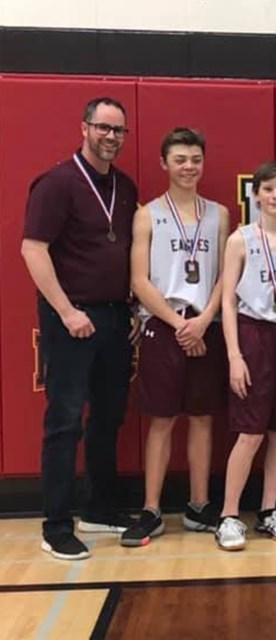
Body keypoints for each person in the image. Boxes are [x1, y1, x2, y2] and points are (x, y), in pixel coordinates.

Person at [23, 97, 139, 560]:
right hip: (69, 317)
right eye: (103, 128)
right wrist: (68, 311)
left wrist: (130, 310)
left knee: (108, 416)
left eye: (119, 131)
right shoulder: (56, 183)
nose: (111, 137)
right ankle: (56, 523)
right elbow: (33, 250)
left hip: (113, 316)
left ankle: (99, 506)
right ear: (84, 128)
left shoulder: (126, 187)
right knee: (65, 420)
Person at [121, 128, 230, 547]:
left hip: (206, 325)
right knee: (162, 420)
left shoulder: (219, 213)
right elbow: (139, 279)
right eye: (180, 159)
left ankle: (199, 505)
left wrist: (203, 321)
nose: (189, 167)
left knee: (202, 419)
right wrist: (179, 324)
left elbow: (225, 274)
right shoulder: (147, 214)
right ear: (164, 163)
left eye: (196, 159)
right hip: (164, 326)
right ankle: (151, 509)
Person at [216, 161, 276, 551]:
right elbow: (226, 301)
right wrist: (234, 355)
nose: (275, 196)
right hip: (253, 334)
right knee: (250, 432)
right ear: (255, 194)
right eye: (268, 189)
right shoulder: (240, 239)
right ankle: (228, 515)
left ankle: (270, 510)